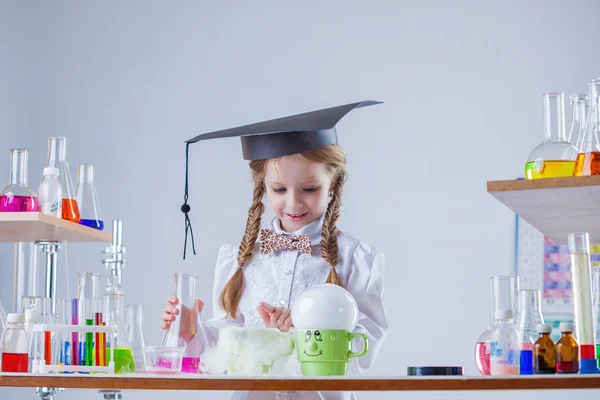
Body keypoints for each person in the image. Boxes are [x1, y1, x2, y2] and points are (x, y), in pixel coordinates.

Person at [161, 101, 388, 400]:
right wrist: (192, 331)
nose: (293, 204)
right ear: (263, 186)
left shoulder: (356, 259)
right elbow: (226, 350)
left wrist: (308, 325)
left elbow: (366, 347)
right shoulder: (242, 259)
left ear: (332, 183)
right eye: (279, 190)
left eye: (309, 189)